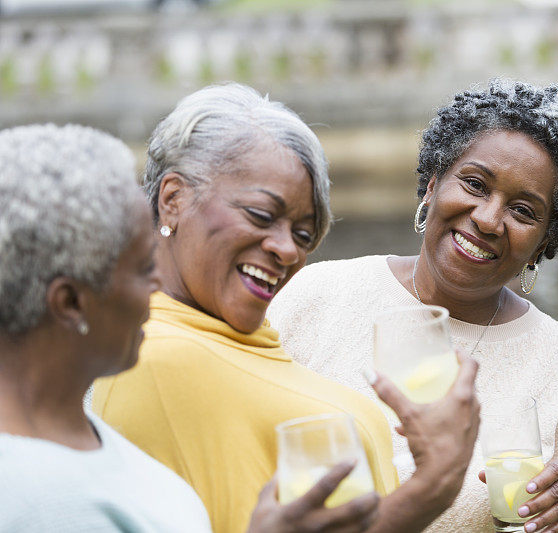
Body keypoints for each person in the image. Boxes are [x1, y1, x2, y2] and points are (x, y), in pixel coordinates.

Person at [92, 83, 481, 533]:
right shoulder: (158, 356)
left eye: (303, 234)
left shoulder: (224, 338)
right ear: (173, 199)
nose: (287, 250)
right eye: (260, 215)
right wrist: (432, 486)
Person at [268, 79, 558, 533]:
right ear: (432, 186)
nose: (488, 219)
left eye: (524, 211)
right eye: (474, 184)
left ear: (544, 242)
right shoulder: (317, 296)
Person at [0, 124, 212, 531]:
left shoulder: (78, 437)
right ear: (70, 302)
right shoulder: (38, 503)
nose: (157, 285)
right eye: (144, 267)